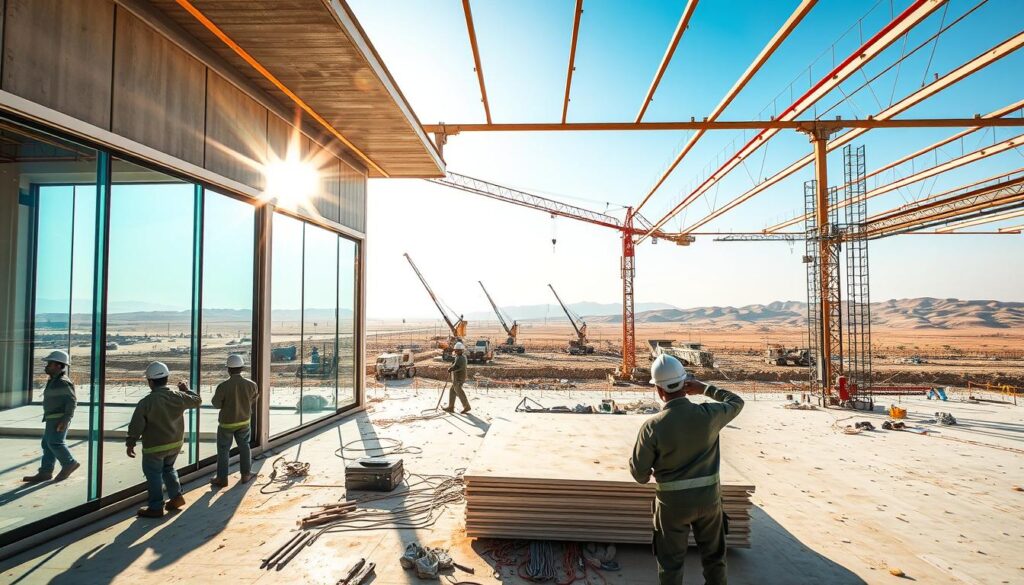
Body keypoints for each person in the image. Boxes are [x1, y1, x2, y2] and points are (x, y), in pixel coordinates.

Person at [629, 354, 744, 585]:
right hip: (710, 501)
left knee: (670, 563)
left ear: (659, 391)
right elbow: (736, 402)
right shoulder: (709, 415)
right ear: (685, 384)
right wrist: (705, 388)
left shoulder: (652, 427)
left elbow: (640, 474)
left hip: (672, 506)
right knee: (714, 559)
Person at [126, 361, 202, 518]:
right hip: (175, 443)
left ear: (150, 382)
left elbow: (136, 426)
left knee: (153, 474)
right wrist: (186, 389)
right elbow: (197, 401)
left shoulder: (146, 402)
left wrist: (131, 442)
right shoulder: (178, 396)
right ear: (167, 379)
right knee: (168, 469)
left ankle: (156, 507)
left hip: (154, 447)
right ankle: (176, 497)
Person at [23, 350, 80, 483]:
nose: (47, 366)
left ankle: (69, 463)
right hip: (52, 417)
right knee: (47, 444)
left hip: (59, 418)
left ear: (59, 366)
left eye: (50, 363)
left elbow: (72, 401)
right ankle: (45, 472)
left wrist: (65, 420)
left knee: (55, 442)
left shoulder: (62, 381)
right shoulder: (54, 380)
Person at [210, 354, 259, 488]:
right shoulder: (251, 385)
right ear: (242, 368)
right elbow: (254, 399)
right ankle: (246, 474)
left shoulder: (223, 386)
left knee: (223, 450)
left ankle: (222, 478)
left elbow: (216, 404)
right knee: (244, 447)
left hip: (227, 423)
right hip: (244, 422)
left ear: (228, 370)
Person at [442, 341, 470, 414]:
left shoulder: (462, 358)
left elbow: (458, 367)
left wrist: (451, 368)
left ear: (461, 350)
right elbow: (455, 364)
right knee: (452, 391)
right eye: (456, 350)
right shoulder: (458, 356)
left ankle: (466, 406)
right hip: (456, 378)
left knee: (459, 392)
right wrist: (452, 365)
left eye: (457, 350)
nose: (456, 352)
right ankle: (451, 407)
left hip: (459, 378)